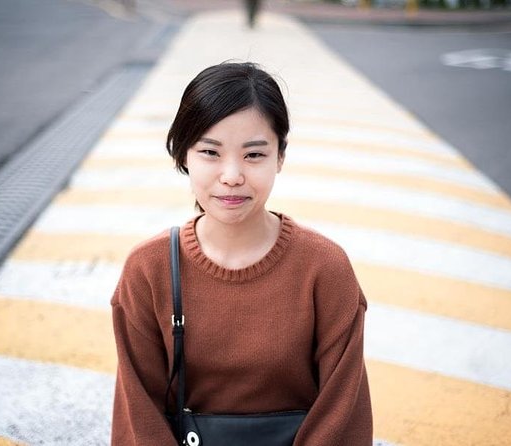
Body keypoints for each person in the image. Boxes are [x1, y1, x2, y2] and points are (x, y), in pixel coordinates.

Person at [110, 61, 373, 445]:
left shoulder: (325, 268)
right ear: (184, 155)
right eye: (210, 152)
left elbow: (342, 413)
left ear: (280, 156)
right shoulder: (148, 270)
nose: (232, 175)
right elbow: (139, 414)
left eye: (253, 155)